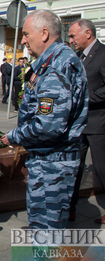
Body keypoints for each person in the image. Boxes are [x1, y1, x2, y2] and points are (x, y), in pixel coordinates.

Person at [0, 9, 88, 230]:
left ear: (45, 33)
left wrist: (13, 136)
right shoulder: (54, 60)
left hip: (53, 166)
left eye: (26, 34)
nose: (23, 40)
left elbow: (48, 125)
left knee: (47, 233)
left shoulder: (56, 66)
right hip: (50, 161)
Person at [68, 19, 105, 224]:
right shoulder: (77, 56)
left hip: (98, 124)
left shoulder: (103, 54)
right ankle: (71, 208)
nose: (71, 40)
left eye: (73, 35)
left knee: (101, 168)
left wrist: (86, 97)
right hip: (79, 125)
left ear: (88, 33)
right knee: (74, 166)